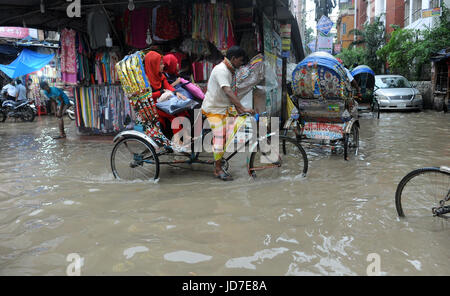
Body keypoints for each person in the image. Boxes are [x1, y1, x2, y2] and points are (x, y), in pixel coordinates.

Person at [201, 46, 255, 181]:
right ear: (233, 59)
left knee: (237, 126)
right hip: (213, 109)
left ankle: (219, 156)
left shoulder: (230, 71)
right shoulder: (221, 70)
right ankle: (217, 169)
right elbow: (228, 91)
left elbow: (232, 94)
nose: (241, 64)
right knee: (221, 137)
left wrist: (241, 110)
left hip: (224, 108)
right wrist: (242, 107)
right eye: (240, 61)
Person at [144, 51, 190, 145]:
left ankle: (185, 137)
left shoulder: (161, 75)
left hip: (163, 103)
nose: (163, 66)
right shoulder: (146, 80)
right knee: (174, 116)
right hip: (153, 107)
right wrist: (160, 92)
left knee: (183, 111)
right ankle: (177, 141)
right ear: (153, 64)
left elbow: (168, 86)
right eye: (160, 64)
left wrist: (176, 92)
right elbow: (147, 96)